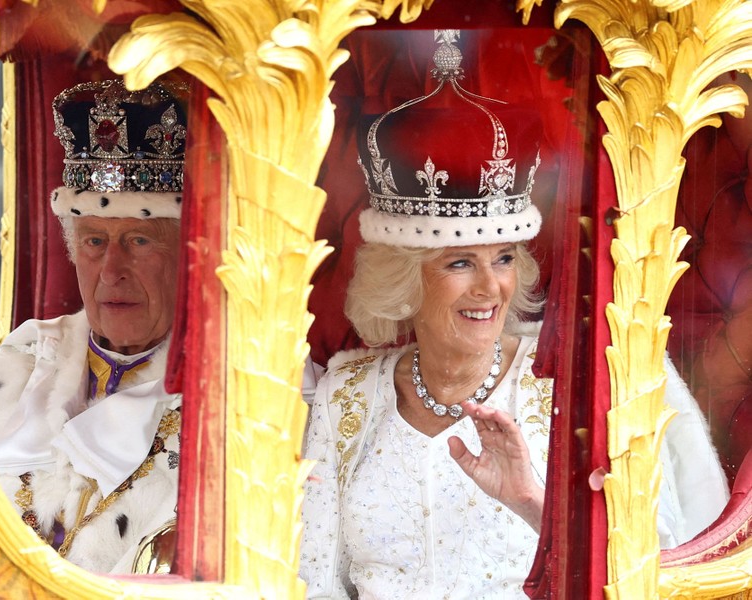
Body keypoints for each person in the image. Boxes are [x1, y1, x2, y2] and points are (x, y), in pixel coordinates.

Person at [299, 30, 729, 598]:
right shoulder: (345, 394)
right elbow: (311, 580)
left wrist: (535, 505)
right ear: (403, 280)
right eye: (459, 262)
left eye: (503, 258)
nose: (491, 287)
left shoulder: (575, 386)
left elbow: (647, 572)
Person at [0, 77, 187, 573]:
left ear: (189, 255)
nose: (111, 271)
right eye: (93, 242)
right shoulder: (22, 363)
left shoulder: (235, 395)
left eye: (139, 240)